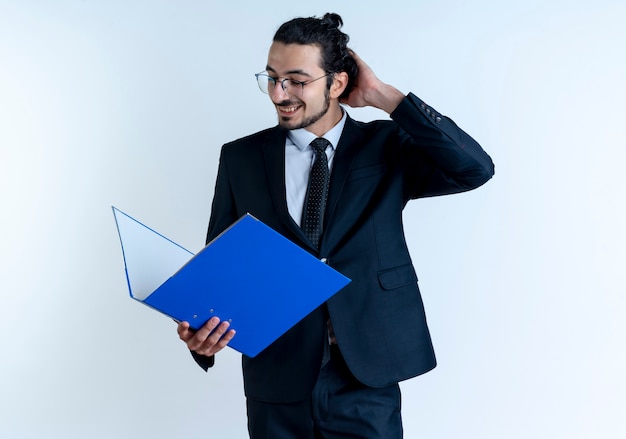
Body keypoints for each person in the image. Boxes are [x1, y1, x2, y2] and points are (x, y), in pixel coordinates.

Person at [177, 12, 494, 438]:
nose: (279, 93)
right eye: (271, 78)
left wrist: (385, 96)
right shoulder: (241, 158)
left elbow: (474, 169)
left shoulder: (386, 146)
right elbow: (220, 267)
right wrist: (201, 330)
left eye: (296, 79)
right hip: (277, 376)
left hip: (365, 373)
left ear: (338, 83)